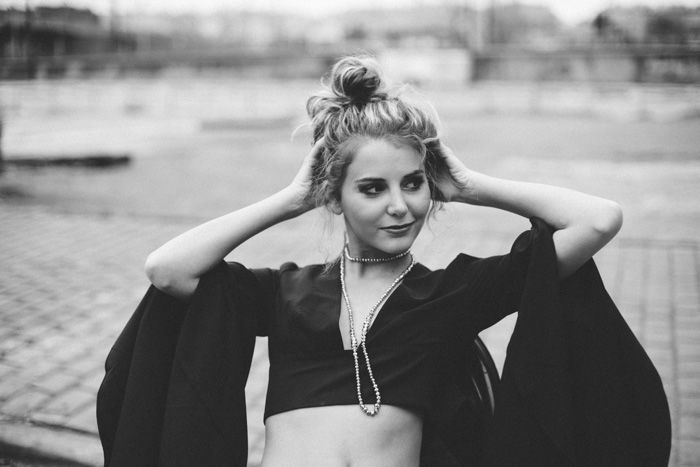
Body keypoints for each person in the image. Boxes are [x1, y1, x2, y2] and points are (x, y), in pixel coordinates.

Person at [103, 56, 670, 467]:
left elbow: (598, 220)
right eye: (372, 188)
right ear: (336, 196)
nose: (400, 206)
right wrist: (290, 200)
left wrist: (472, 184)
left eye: (414, 184)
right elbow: (167, 270)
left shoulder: (452, 293)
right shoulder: (284, 293)